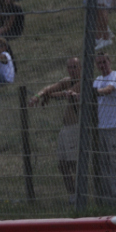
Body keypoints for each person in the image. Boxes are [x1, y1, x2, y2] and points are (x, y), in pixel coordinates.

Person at [30, 57, 82, 199]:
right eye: (69, 67)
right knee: (62, 164)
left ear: (81, 68)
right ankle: (72, 194)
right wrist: (37, 95)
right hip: (65, 128)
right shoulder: (67, 80)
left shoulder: (83, 82)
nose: (71, 70)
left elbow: (67, 93)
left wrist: (48, 96)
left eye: (74, 67)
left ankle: (79, 195)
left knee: (74, 163)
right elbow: (49, 88)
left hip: (76, 127)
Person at [93, 54, 116, 204]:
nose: (102, 65)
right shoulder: (97, 80)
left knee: (115, 164)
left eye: (104, 61)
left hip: (114, 127)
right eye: (99, 63)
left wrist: (93, 92)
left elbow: (109, 90)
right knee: (104, 164)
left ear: (109, 61)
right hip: (101, 128)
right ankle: (106, 199)